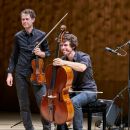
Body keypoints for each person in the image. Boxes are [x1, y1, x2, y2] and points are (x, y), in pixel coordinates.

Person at [6, 9, 51, 130]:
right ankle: (29, 128)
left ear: (33, 20)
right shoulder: (18, 36)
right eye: (23, 19)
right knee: (24, 105)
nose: (24, 21)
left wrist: (41, 53)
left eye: (27, 19)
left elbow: (48, 53)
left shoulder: (41, 35)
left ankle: (47, 128)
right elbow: (14, 56)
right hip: (20, 73)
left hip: (37, 74)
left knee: (43, 103)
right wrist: (10, 73)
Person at [53, 33, 97, 130]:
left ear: (73, 46)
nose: (63, 48)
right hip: (73, 91)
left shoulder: (84, 56)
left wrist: (64, 63)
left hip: (89, 91)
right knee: (60, 103)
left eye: (65, 45)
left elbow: (81, 67)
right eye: (61, 45)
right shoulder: (62, 59)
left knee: (74, 102)